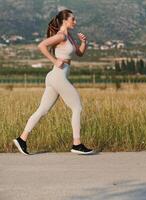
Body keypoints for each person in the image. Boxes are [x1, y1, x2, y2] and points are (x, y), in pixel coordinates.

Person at [13, 9, 94, 155]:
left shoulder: (69, 37)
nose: (75, 22)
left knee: (42, 110)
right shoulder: (61, 35)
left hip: (55, 77)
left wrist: (84, 42)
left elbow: (80, 53)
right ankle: (77, 144)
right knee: (77, 108)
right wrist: (54, 60)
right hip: (58, 77)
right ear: (65, 21)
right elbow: (41, 45)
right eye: (73, 19)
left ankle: (22, 139)